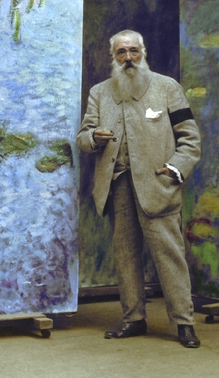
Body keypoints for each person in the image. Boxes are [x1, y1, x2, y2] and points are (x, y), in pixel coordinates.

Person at [77, 29, 202, 348]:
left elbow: (190, 139)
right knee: (125, 255)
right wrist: (93, 138)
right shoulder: (99, 92)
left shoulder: (167, 87)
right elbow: (83, 137)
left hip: (158, 187)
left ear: (143, 53)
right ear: (113, 57)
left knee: (170, 255)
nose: (128, 58)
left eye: (134, 51)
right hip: (117, 185)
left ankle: (184, 323)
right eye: (121, 52)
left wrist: (174, 169)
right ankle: (133, 319)